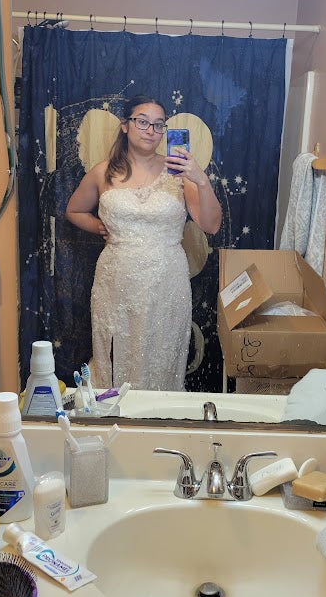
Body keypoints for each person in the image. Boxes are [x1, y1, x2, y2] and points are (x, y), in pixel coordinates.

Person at [65, 95, 222, 392]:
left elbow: (211, 225)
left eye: (159, 125)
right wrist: (100, 227)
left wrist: (201, 180)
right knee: (114, 356)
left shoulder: (179, 172)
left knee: (162, 357)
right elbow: (74, 210)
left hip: (167, 283)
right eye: (142, 122)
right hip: (116, 283)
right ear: (125, 126)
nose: (151, 130)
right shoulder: (103, 171)